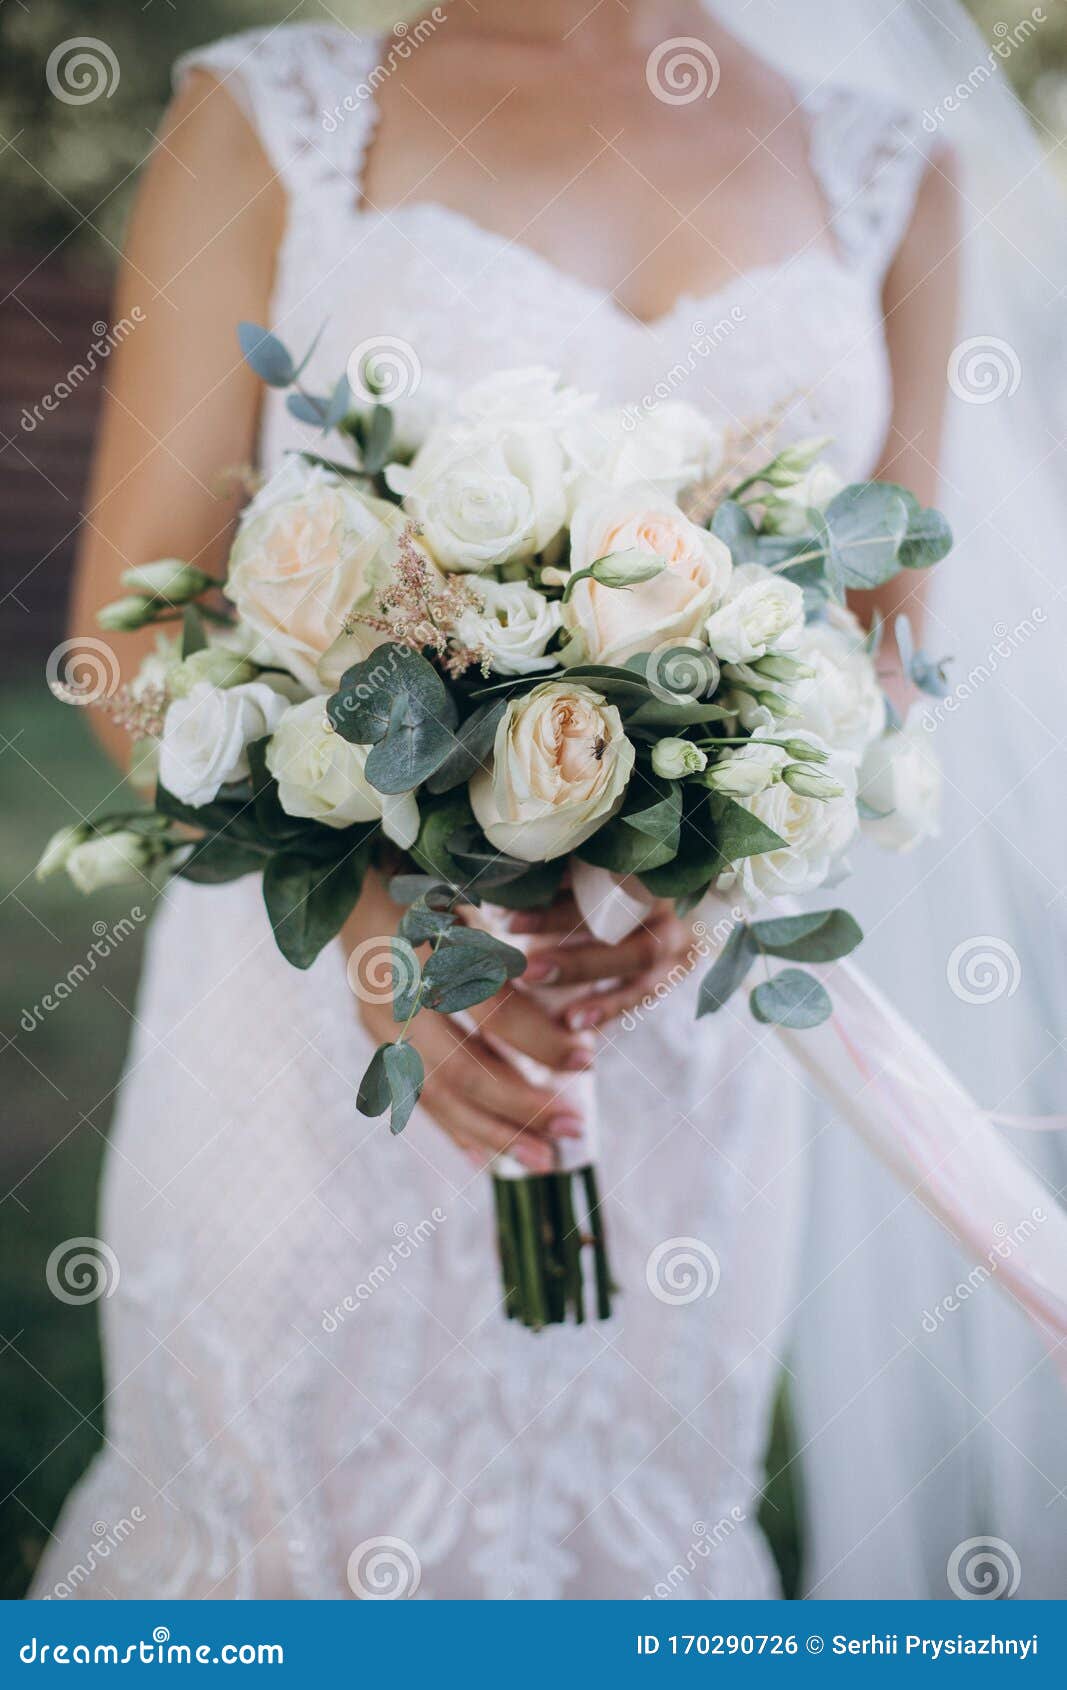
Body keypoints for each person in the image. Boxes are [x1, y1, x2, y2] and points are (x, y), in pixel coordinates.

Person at [33, 0, 962, 1598]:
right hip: (331, 1037)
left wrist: (715, 866)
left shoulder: (893, 172)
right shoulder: (278, 118)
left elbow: (880, 643)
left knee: (635, 1539)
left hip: (671, 1054)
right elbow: (128, 643)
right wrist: (378, 921)